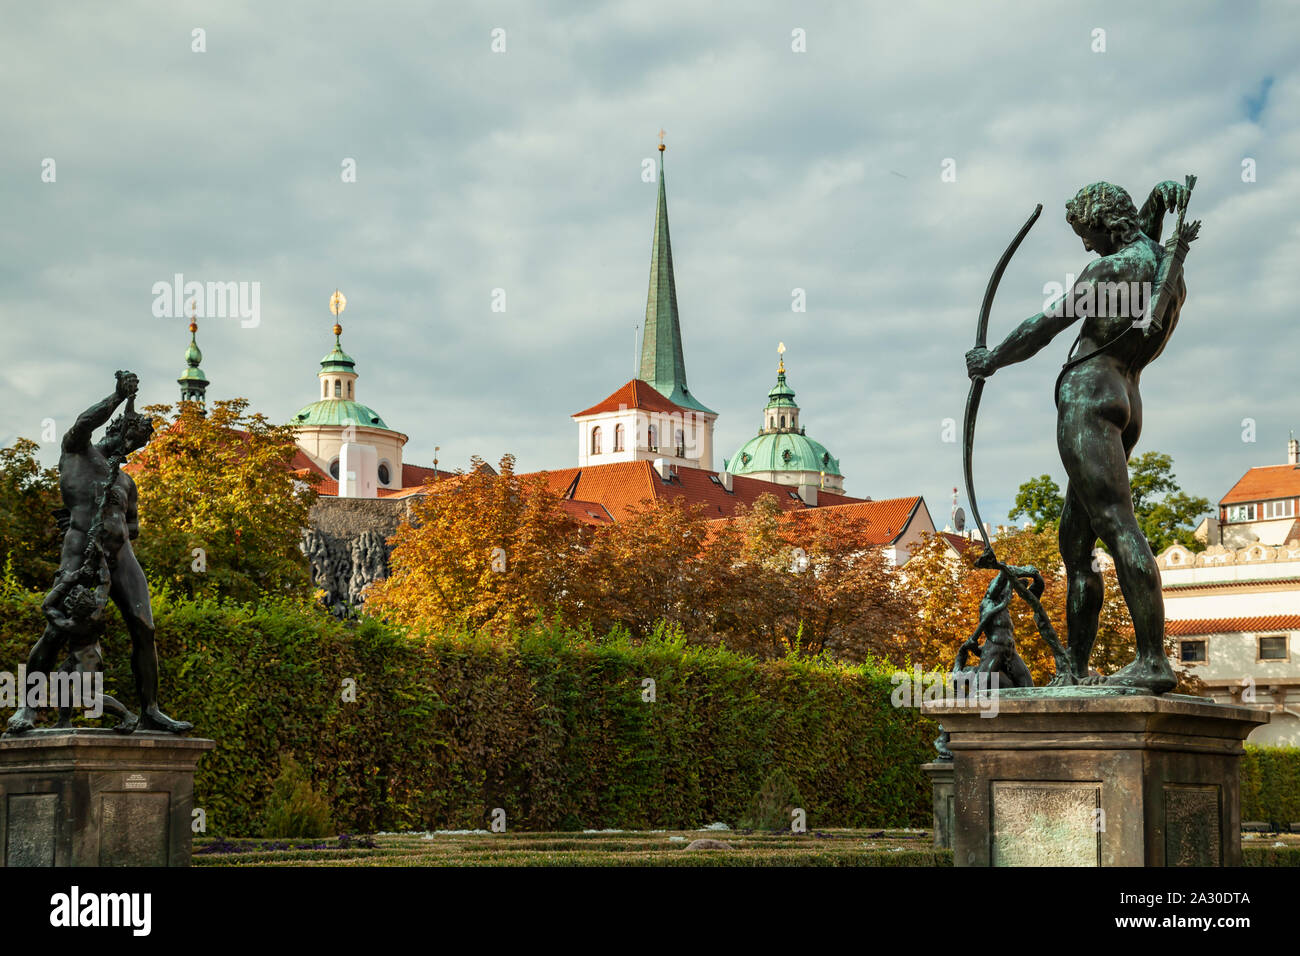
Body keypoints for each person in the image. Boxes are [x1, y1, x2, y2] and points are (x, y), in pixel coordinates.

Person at [965, 182, 1189, 693]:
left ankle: (1153, 659)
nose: (1085, 246)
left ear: (1102, 223)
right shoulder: (1164, 266)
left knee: (1117, 526)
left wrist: (991, 359)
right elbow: (1145, 248)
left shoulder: (1109, 269)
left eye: (1086, 233)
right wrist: (1155, 201)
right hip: (1127, 397)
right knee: (1077, 545)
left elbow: (1045, 326)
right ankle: (1077, 670)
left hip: (1089, 400)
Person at [7, 371, 192, 734]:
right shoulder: (77, 452)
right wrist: (117, 397)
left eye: (137, 446)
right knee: (55, 632)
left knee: (144, 628)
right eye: (130, 440)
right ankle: (28, 708)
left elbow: (134, 526)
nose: (131, 449)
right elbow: (82, 422)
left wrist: (115, 534)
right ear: (115, 431)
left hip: (121, 558)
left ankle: (151, 709)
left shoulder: (125, 481)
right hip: (79, 551)